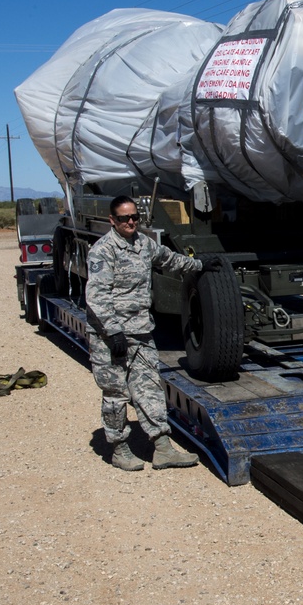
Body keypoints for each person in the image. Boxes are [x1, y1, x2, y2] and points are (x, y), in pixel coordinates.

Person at [86, 195, 222, 471]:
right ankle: (120, 449)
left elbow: (169, 260)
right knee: (116, 393)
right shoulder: (103, 251)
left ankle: (162, 448)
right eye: (124, 218)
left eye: (135, 217)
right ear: (113, 221)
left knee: (150, 389)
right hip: (109, 337)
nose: (131, 222)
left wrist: (200, 265)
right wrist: (113, 333)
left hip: (141, 332)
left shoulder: (143, 244)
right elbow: (96, 297)